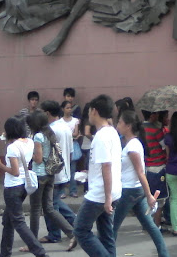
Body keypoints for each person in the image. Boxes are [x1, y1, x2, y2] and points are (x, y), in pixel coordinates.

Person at [113, 110, 169, 257]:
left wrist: (149, 195)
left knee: (111, 227)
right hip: (134, 190)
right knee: (150, 225)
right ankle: (164, 254)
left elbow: (140, 172)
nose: (117, 125)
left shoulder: (132, 146)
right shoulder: (132, 143)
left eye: (120, 122)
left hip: (129, 191)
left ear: (128, 125)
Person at [0, 117, 48, 257]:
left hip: (12, 187)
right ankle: (4, 254)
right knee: (8, 221)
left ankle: (40, 253)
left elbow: (14, 172)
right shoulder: (29, 142)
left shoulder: (12, 148)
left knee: (18, 222)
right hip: (23, 186)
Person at [74, 94, 122, 257]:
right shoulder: (112, 132)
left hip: (101, 194)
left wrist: (107, 198)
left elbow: (106, 166)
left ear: (94, 111)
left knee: (80, 230)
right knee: (106, 234)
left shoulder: (101, 137)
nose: (88, 115)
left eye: (89, 111)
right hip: (113, 190)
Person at [24, 111, 77, 253]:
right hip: (50, 174)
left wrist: (29, 153)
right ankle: (72, 233)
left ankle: (32, 244)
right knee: (49, 208)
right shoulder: (49, 133)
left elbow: (38, 159)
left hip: (39, 175)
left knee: (35, 210)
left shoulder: (38, 136)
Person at [39, 100, 75, 244]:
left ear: (47, 113)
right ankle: (75, 221)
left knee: (49, 206)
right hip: (64, 171)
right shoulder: (65, 127)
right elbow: (71, 152)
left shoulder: (50, 130)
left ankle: (54, 234)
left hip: (53, 173)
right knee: (55, 202)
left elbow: (45, 153)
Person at [142, 110, 169, 230]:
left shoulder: (140, 129)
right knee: (160, 199)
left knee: (149, 197)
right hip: (158, 165)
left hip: (146, 166)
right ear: (152, 115)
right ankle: (156, 226)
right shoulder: (156, 131)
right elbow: (165, 146)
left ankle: (146, 224)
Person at [60, 100, 81, 198]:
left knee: (72, 170)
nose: (69, 109)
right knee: (63, 170)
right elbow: (73, 134)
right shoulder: (59, 122)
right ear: (63, 109)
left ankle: (73, 190)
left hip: (72, 146)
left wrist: (67, 134)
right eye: (67, 107)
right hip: (63, 147)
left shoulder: (75, 120)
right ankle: (62, 191)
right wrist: (70, 134)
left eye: (70, 107)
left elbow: (76, 133)